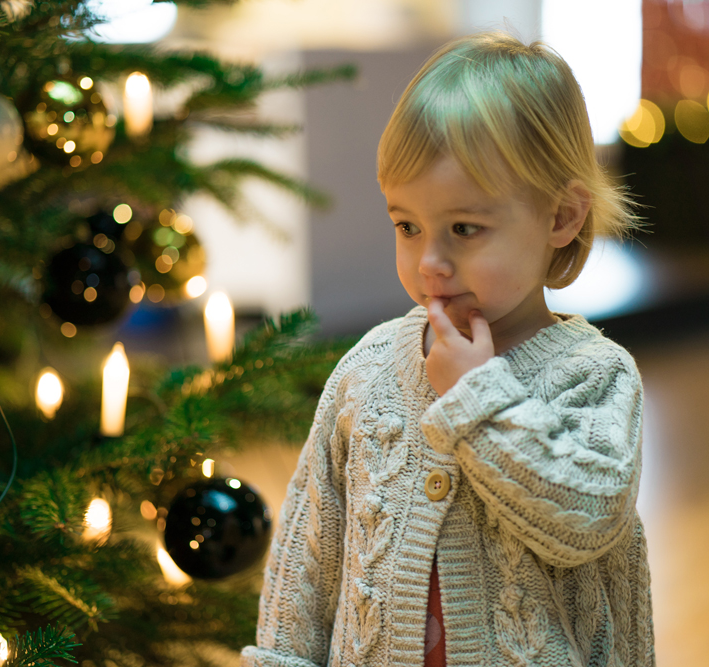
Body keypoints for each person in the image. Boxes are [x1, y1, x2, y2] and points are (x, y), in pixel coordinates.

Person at [241, 31, 654, 667]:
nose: (430, 261)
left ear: (561, 217)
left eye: (465, 228)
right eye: (407, 226)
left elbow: (589, 515)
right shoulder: (370, 370)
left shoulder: (593, 376)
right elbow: (306, 561)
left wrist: (476, 399)